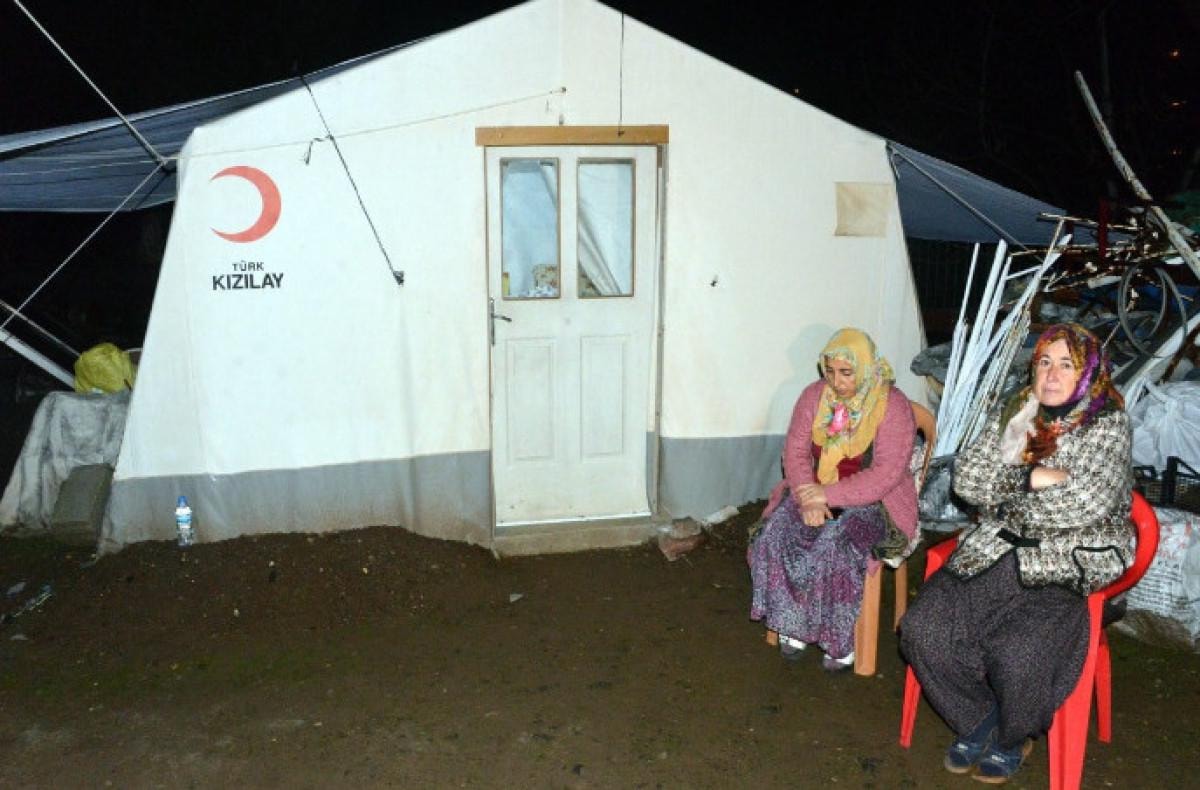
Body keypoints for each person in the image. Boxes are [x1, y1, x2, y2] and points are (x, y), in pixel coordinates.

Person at [899, 323, 1134, 784]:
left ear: (1088, 373)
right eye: (1044, 362)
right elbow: (968, 479)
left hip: (1067, 561)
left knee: (1018, 653)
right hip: (995, 549)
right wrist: (1031, 478)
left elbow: (1085, 501)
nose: (1051, 374)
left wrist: (1004, 496)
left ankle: (1012, 737)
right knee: (922, 630)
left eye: (1066, 364)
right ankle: (980, 718)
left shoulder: (1107, 423)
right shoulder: (1015, 411)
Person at [749, 327, 917, 671]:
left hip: (876, 503)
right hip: (812, 491)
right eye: (830, 371)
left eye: (846, 372)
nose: (836, 381)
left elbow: (886, 474)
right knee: (777, 533)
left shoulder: (893, 406)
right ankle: (793, 622)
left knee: (835, 544)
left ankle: (838, 640)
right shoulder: (814, 397)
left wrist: (829, 494)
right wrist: (810, 499)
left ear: (866, 367)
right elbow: (795, 452)